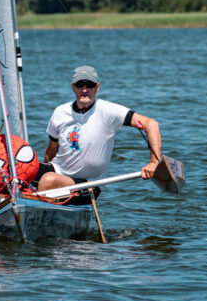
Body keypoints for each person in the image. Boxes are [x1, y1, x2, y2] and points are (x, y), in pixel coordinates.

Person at [35, 65, 163, 202]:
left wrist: (154, 162)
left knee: (48, 180)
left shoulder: (108, 111)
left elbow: (151, 124)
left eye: (90, 85)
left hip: (88, 184)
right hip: (57, 171)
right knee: (20, 166)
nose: (85, 90)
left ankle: (39, 200)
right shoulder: (60, 112)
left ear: (97, 87)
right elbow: (51, 151)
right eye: (80, 85)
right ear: (73, 87)